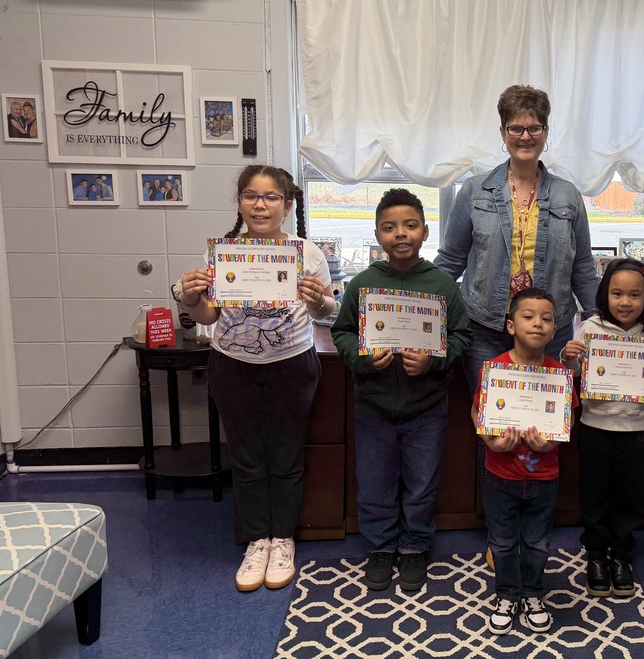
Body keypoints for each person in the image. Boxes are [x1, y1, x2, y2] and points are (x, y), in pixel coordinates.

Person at [178, 164, 336, 592]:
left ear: (286, 205)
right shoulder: (225, 252)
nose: (260, 204)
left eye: (270, 197)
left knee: (285, 457)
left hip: (292, 363)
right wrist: (192, 299)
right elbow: (209, 315)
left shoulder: (308, 252)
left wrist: (319, 299)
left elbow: (328, 314)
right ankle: (257, 540)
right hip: (233, 363)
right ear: (240, 202)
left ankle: (282, 539)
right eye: (251, 195)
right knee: (247, 458)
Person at [332, 188, 472, 593]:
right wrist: (361, 358)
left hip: (427, 407)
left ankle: (413, 546)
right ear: (378, 235)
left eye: (410, 226)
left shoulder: (443, 285)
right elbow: (342, 332)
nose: (401, 234)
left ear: (425, 232)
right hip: (373, 405)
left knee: (422, 482)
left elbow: (461, 335)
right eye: (390, 228)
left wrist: (434, 360)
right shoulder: (363, 284)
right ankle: (380, 547)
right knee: (374, 481)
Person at [434, 84, 599, 391]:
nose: (525, 136)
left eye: (534, 127)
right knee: (493, 425)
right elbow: (450, 262)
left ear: (546, 132)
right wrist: (420, 310)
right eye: (516, 128)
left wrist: (602, 327)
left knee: (545, 423)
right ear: (503, 132)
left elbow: (583, 269)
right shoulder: (474, 191)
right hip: (486, 331)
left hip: (550, 333)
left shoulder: (568, 196)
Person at [560, 258, 644, 599]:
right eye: (617, 293)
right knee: (595, 493)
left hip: (636, 430)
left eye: (634, 295)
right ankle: (596, 554)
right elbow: (574, 372)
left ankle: (620, 554)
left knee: (630, 496)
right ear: (605, 294)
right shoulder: (591, 328)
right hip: (595, 427)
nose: (625, 302)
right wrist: (568, 355)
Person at [473, 287, 577, 635]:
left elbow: (568, 418)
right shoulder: (494, 369)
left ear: (554, 328)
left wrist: (552, 441)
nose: (538, 324)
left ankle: (532, 593)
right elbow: (477, 409)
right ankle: (506, 594)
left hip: (545, 476)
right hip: (499, 474)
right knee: (501, 541)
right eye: (528, 316)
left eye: (547, 319)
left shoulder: (560, 374)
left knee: (537, 541)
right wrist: (489, 437)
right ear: (510, 325)